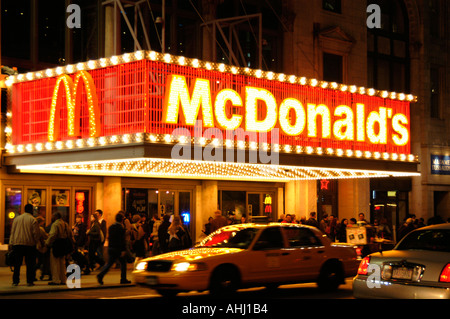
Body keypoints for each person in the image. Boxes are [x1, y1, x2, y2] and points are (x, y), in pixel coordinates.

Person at [9, 203, 40, 286]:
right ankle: (29, 281)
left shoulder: (16, 219)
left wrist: (11, 243)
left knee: (17, 264)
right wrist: (37, 242)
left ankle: (15, 281)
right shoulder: (33, 220)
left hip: (17, 244)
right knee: (30, 264)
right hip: (29, 244)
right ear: (31, 210)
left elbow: (13, 232)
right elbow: (36, 234)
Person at [97, 212, 131, 285]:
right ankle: (123, 279)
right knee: (123, 263)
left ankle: (101, 275)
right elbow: (122, 240)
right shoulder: (121, 228)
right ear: (122, 220)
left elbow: (109, 237)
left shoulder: (111, 227)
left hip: (111, 248)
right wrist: (123, 250)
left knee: (109, 263)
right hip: (118, 249)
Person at [45, 212, 74, 285]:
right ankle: (63, 279)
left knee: (55, 263)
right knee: (62, 262)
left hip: (56, 244)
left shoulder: (55, 224)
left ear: (55, 217)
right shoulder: (65, 224)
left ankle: (56, 280)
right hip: (63, 244)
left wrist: (47, 243)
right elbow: (70, 234)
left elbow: (53, 235)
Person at [35, 216, 49, 281]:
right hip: (40, 247)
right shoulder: (40, 229)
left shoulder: (34, 228)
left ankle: (34, 274)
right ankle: (42, 273)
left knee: (38, 261)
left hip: (36, 247)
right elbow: (45, 236)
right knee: (42, 261)